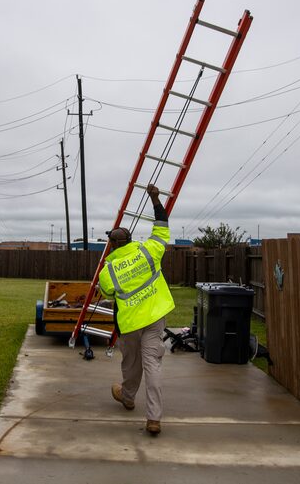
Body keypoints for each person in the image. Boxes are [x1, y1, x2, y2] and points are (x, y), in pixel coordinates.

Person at [98, 184, 175, 436]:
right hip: (155, 318)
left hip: (131, 325)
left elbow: (107, 292)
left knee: (132, 365)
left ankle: (128, 396)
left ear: (112, 246)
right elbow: (161, 225)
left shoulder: (108, 271)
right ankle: (154, 419)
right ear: (130, 240)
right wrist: (155, 198)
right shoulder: (149, 250)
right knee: (153, 364)